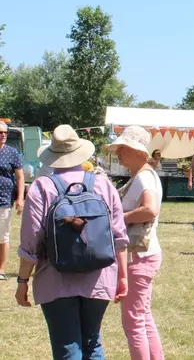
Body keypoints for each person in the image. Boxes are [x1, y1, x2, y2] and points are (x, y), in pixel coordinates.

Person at [15, 125, 128, 359]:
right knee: (92, 344)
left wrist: (23, 281)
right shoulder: (103, 185)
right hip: (100, 276)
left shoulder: (41, 187)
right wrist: (123, 276)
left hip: (55, 277)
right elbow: (119, 236)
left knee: (68, 348)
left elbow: (31, 241)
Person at [109, 126, 165, 360]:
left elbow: (150, 209)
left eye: (124, 148)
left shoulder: (142, 177)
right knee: (142, 317)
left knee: (134, 322)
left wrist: (117, 219)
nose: (119, 152)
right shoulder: (142, 175)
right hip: (145, 254)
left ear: (140, 152)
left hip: (138, 256)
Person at [0, 121, 25, 281]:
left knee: (2, 236)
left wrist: (20, 197)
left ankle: (0, 269)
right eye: (0, 132)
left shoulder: (12, 152)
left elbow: (20, 176)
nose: (3, 135)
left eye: (5, 133)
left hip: (4, 200)